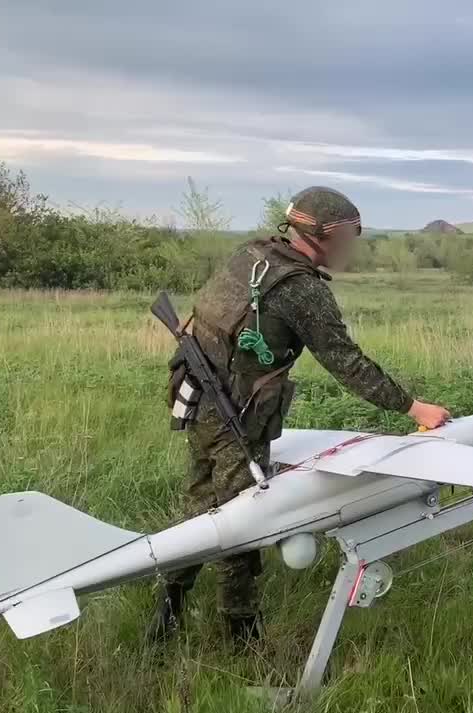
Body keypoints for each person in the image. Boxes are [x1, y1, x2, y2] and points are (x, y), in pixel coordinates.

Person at [148, 186, 451, 646]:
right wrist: (413, 407)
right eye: (350, 235)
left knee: (198, 509)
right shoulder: (301, 289)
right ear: (324, 234)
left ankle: (167, 614)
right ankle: (242, 638)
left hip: (199, 399)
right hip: (237, 415)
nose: (352, 246)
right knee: (240, 526)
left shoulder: (252, 255)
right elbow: (346, 363)